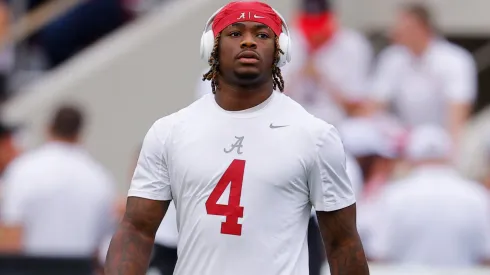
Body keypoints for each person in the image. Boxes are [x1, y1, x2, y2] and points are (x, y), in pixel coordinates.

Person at [105, 2, 369, 275]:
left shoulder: (316, 137)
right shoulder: (168, 132)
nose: (248, 42)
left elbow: (342, 243)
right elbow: (136, 229)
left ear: (281, 50)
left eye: (262, 34)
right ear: (212, 47)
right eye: (235, 33)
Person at [0, 105, 116, 256]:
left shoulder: (22, 170)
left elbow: (10, 235)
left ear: (48, 128)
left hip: (32, 268)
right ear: (79, 133)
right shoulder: (99, 177)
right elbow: (100, 243)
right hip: (79, 268)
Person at [368, 125, 490, 266]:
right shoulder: (476, 195)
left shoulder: (392, 196)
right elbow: (486, 255)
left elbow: (379, 253)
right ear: (449, 154)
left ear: (410, 157)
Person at [370, 3, 476, 146]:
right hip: (402, 141)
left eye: (403, 27)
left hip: (441, 141)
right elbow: (375, 104)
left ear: (421, 28)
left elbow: (458, 112)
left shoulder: (455, 59)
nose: (394, 32)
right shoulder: (391, 58)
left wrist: (451, 152)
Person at [282, 0, 373, 126]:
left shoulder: (353, 45)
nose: (314, 33)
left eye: (319, 25)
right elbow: (270, 99)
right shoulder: (286, 42)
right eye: (308, 25)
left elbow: (357, 108)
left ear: (333, 20)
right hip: (292, 118)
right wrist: (298, 74)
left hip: (339, 121)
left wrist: (322, 77)